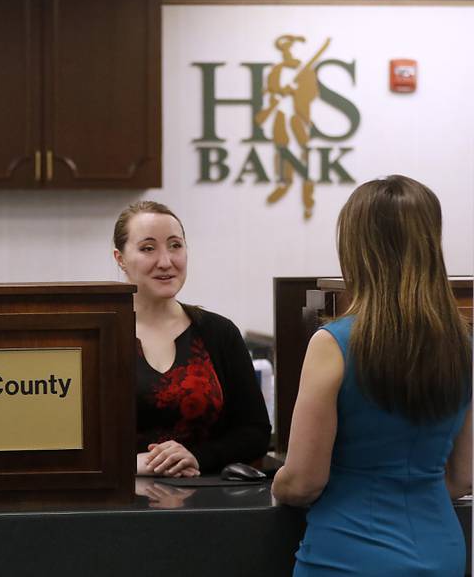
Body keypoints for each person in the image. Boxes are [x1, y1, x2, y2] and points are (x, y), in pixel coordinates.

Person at [272, 175, 472, 575]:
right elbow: (462, 476)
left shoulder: (333, 344)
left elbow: (304, 481)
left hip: (346, 555)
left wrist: (277, 482)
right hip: (442, 551)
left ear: (357, 250)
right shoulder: (463, 345)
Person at [112, 200, 271, 478]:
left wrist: (198, 457)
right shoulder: (98, 336)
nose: (166, 261)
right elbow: (69, 436)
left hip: (208, 501)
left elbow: (255, 432)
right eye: (148, 248)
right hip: (118, 503)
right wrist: (126, 464)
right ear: (120, 259)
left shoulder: (219, 333)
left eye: (175, 245)